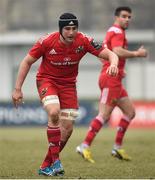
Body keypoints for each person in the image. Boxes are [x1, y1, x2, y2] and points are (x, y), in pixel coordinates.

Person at [12, 12, 119, 176]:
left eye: (74, 28)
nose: (71, 32)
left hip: (69, 86)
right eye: (67, 28)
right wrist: (18, 88)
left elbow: (111, 54)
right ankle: (56, 162)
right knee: (54, 112)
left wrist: (113, 63)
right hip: (47, 81)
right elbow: (27, 61)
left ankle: (46, 165)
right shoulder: (46, 41)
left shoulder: (84, 40)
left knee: (67, 129)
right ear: (60, 29)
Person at [76, 6, 148, 163]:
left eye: (129, 17)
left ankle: (117, 147)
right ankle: (84, 145)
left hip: (114, 79)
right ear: (116, 17)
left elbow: (105, 55)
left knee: (130, 112)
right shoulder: (117, 32)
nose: (127, 19)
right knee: (104, 115)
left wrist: (120, 69)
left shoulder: (112, 32)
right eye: (124, 16)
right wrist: (137, 54)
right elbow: (117, 51)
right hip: (110, 80)